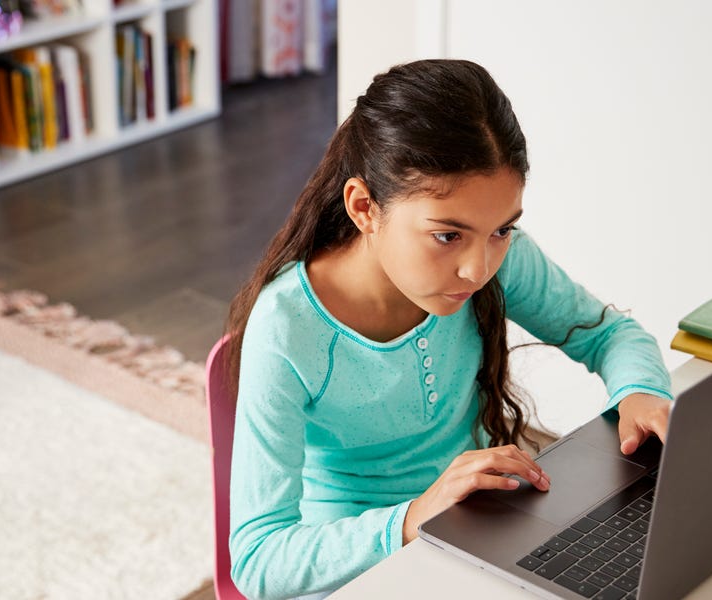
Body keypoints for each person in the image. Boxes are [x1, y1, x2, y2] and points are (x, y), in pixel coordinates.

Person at [224, 59, 672, 600]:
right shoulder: (287, 329)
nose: (478, 269)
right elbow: (258, 562)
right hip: (360, 572)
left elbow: (607, 333)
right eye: (447, 236)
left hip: (481, 532)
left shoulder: (495, 261)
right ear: (364, 208)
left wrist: (642, 390)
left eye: (502, 229)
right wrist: (414, 517)